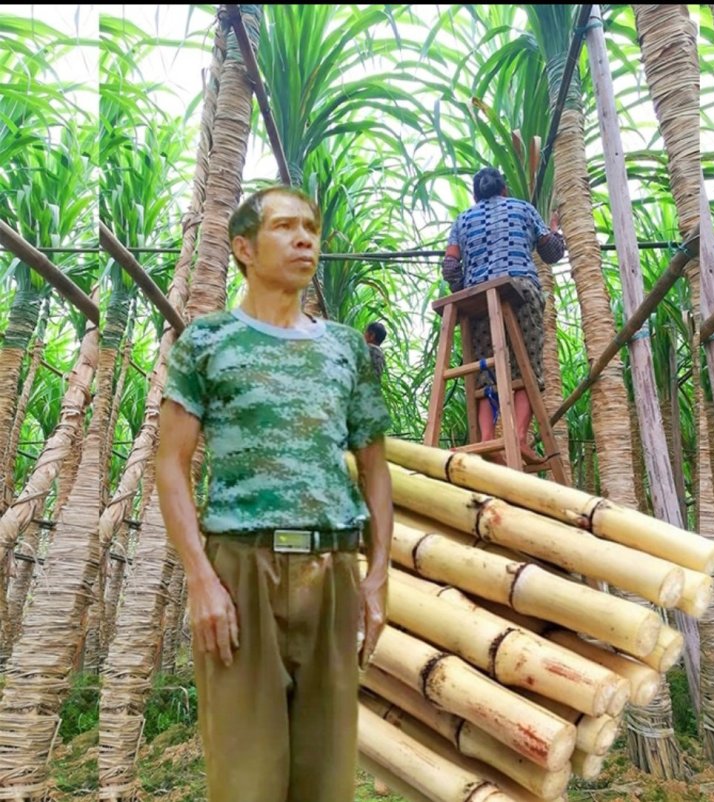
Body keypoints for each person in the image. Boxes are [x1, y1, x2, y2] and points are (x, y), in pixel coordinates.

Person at [154, 185, 393, 802]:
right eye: (285, 227)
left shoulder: (347, 349)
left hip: (333, 569)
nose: (305, 238)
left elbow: (375, 469)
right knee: (245, 781)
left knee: (327, 780)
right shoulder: (206, 343)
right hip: (240, 574)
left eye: (311, 227)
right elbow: (171, 464)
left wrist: (377, 576)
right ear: (243, 247)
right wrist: (202, 579)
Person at [441, 166, 565, 454]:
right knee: (528, 364)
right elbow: (552, 253)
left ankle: (485, 440)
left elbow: (450, 267)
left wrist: (466, 291)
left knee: (485, 369)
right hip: (519, 289)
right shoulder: (523, 208)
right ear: (504, 189)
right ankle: (520, 437)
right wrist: (555, 229)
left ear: (476, 195)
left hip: (479, 298)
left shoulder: (461, 220)